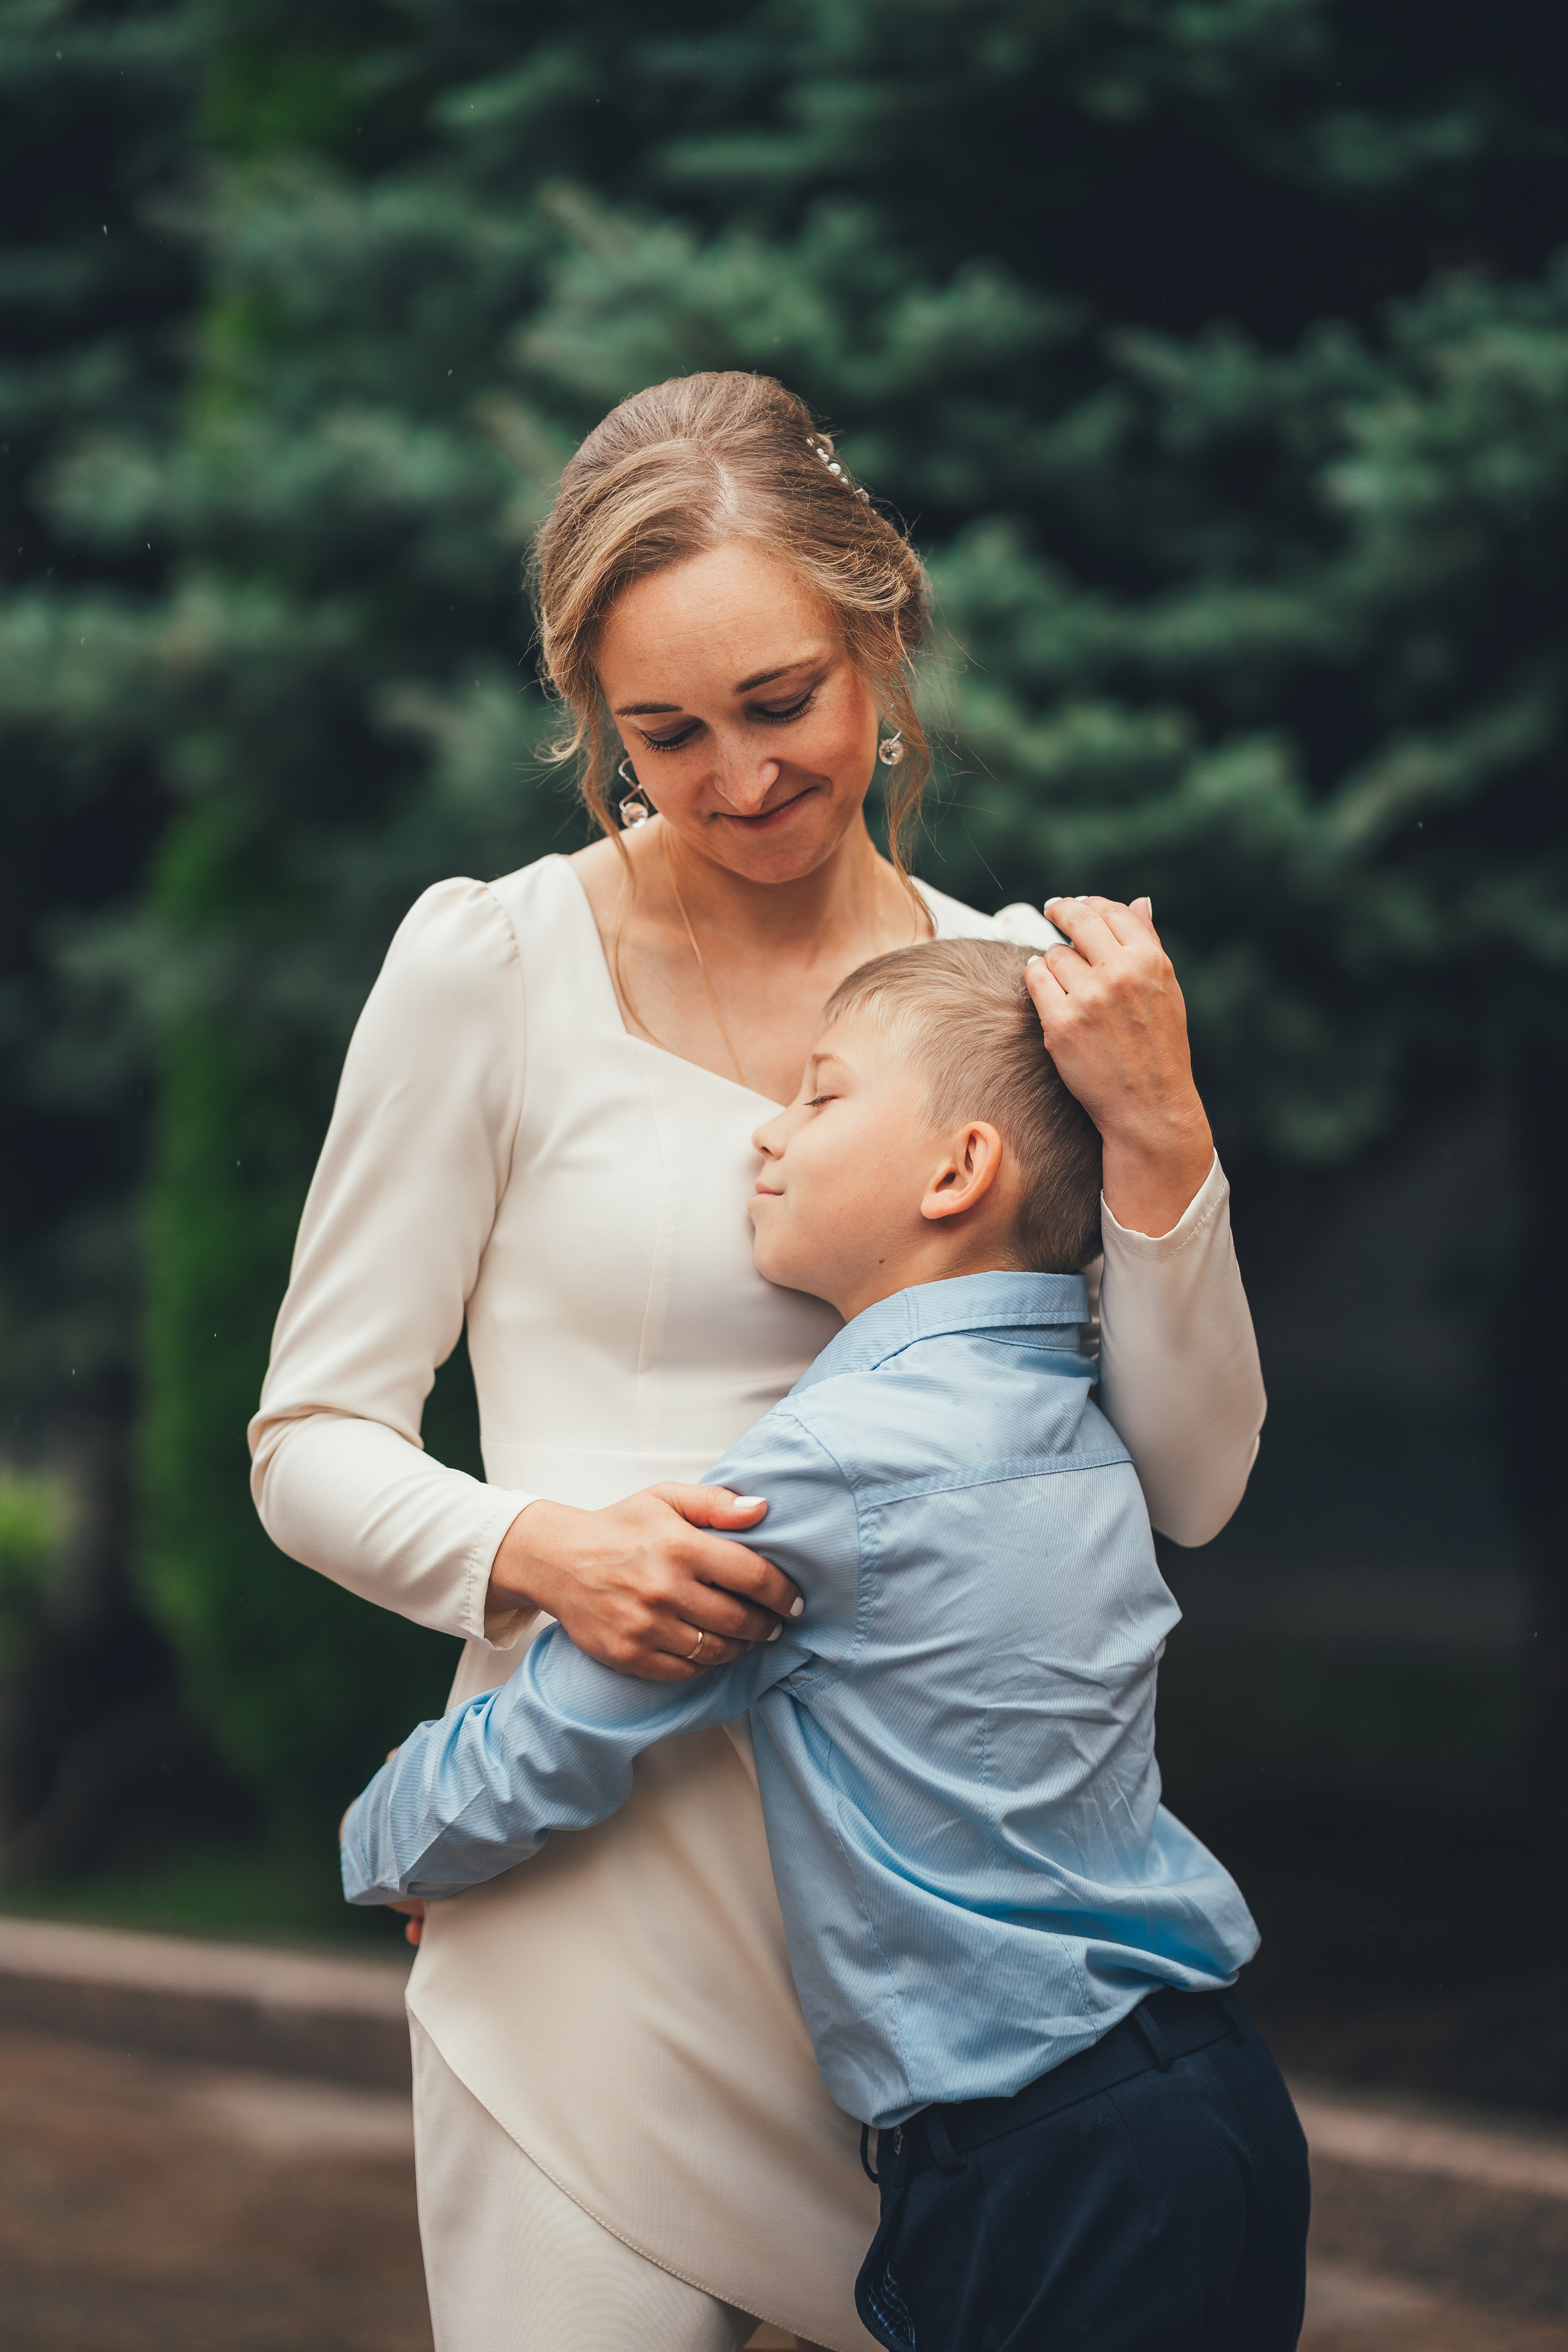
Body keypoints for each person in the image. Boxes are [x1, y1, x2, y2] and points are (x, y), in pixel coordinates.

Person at [249, 369, 1267, 2352]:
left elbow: (1194, 1481)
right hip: (580, 1893)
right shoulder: (489, 966)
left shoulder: (998, 1008)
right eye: (664, 736)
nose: (735, 781)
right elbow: (312, 1442)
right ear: (596, 730)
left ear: (881, 642)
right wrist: (547, 1554)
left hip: (936, 1982)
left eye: (780, 702)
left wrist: (1164, 1138)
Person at [341, 938, 1308, 2352]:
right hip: (1211, 2104)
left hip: (1046, 2161)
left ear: (953, 1172)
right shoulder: (1084, 1413)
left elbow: (554, 1741)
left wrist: (386, 1847)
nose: (766, 1128)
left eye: (816, 1095)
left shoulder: (824, 1474)